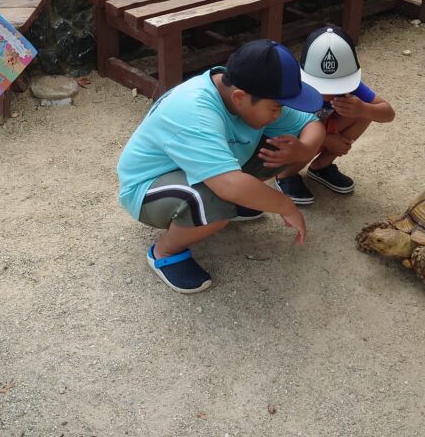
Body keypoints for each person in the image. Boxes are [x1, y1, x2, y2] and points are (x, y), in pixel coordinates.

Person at [116, 40, 325, 294]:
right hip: (148, 189)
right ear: (240, 97)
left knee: (274, 148)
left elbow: (312, 125)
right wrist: (285, 205)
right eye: (276, 107)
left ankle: (226, 208)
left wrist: (301, 150)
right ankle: (165, 252)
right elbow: (229, 185)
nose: (279, 114)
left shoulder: (249, 94)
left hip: (201, 173)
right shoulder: (193, 109)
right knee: (215, 197)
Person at [275, 26, 395, 204]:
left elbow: (388, 113)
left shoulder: (353, 88)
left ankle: (321, 167)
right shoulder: (295, 88)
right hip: (293, 140)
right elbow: (278, 129)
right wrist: (327, 140)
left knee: (367, 112)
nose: (331, 94)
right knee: (309, 132)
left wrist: (363, 108)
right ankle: (285, 174)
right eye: (323, 87)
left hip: (322, 132)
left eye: (338, 86)